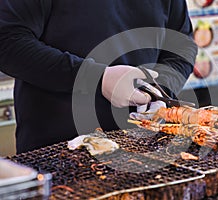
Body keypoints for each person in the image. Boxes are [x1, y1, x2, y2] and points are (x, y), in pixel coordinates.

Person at [0, 0, 197, 153]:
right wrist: (94, 77)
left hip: (146, 148)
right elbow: (8, 41)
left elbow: (181, 45)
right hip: (59, 152)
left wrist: (160, 86)